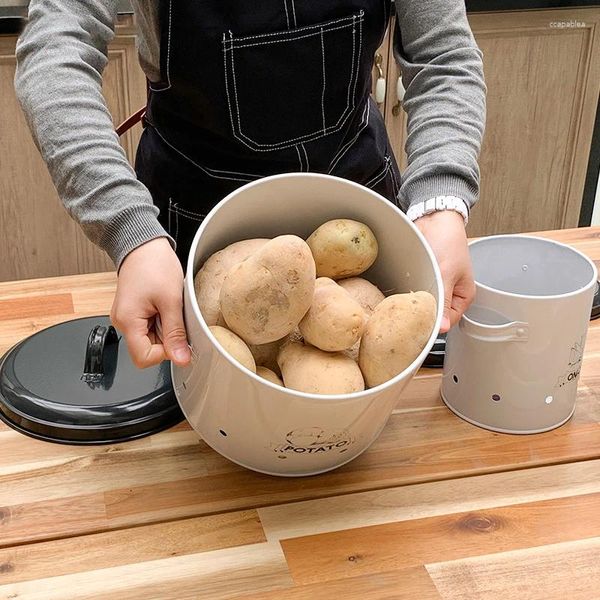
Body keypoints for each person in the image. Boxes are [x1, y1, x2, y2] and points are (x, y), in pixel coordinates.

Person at [15, 1, 486, 369]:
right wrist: (130, 233)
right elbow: (56, 54)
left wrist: (441, 200)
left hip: (356, 223)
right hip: (194, 227)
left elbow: (442, 54)